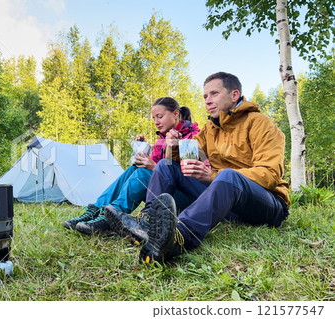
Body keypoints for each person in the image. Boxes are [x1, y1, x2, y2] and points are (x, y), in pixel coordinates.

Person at [132, 72, 290, 263]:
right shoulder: (209, 129)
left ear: (234, 95)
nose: (207, 101)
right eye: (205, 96)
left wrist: (214, 175)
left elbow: (270, 175)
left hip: (267, 205)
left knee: (228, 176)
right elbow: (187, 158)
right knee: (167, 166)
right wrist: (175, 146)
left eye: (214, 94)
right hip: (228, 204)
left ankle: (178, 237)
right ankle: (149, 222)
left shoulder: (261, 124)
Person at [63, 97, 201, 238]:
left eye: (160, 117)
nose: (156, 122)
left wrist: (154, 166)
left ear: (176, 114)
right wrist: (143, 150)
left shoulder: (193, 136)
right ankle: (96, 210)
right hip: (164, 191)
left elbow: (191, 177)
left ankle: (112, 215)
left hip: (182, 199)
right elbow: (151, 167)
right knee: (134, 169)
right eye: (154, 118)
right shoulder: (161, 139)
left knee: (142, 173)